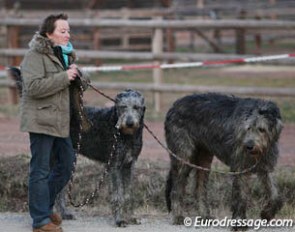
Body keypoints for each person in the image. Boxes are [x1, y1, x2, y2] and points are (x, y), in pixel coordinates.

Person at [20, 13, 88, 232]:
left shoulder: (65, 55)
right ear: (48, 34)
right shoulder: (34, 55)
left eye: (68, 30)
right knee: (39, 170)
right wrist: (63, 78)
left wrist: (80, 77)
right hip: (41, 119)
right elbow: (32, 87)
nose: (68, 34)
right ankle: (40, 221)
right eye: (62, 31)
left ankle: (44, 207)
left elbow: (75, 84)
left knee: (66, 165)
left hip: (61, 121)